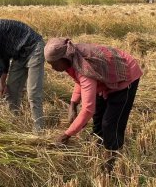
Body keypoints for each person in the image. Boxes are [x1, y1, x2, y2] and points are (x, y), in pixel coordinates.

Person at [44, 38, 143, 172]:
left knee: (110, 123)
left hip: (125, 75)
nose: (52, 68)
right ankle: (99, 145)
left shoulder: (84, 66)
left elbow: (87, 109)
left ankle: (112, 159)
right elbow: (80, 80)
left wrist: (66, 135)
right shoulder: (73, 57)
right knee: (98, 116)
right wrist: (73, 104)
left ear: (63, 57)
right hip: (105, 76)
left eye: (54, 64)